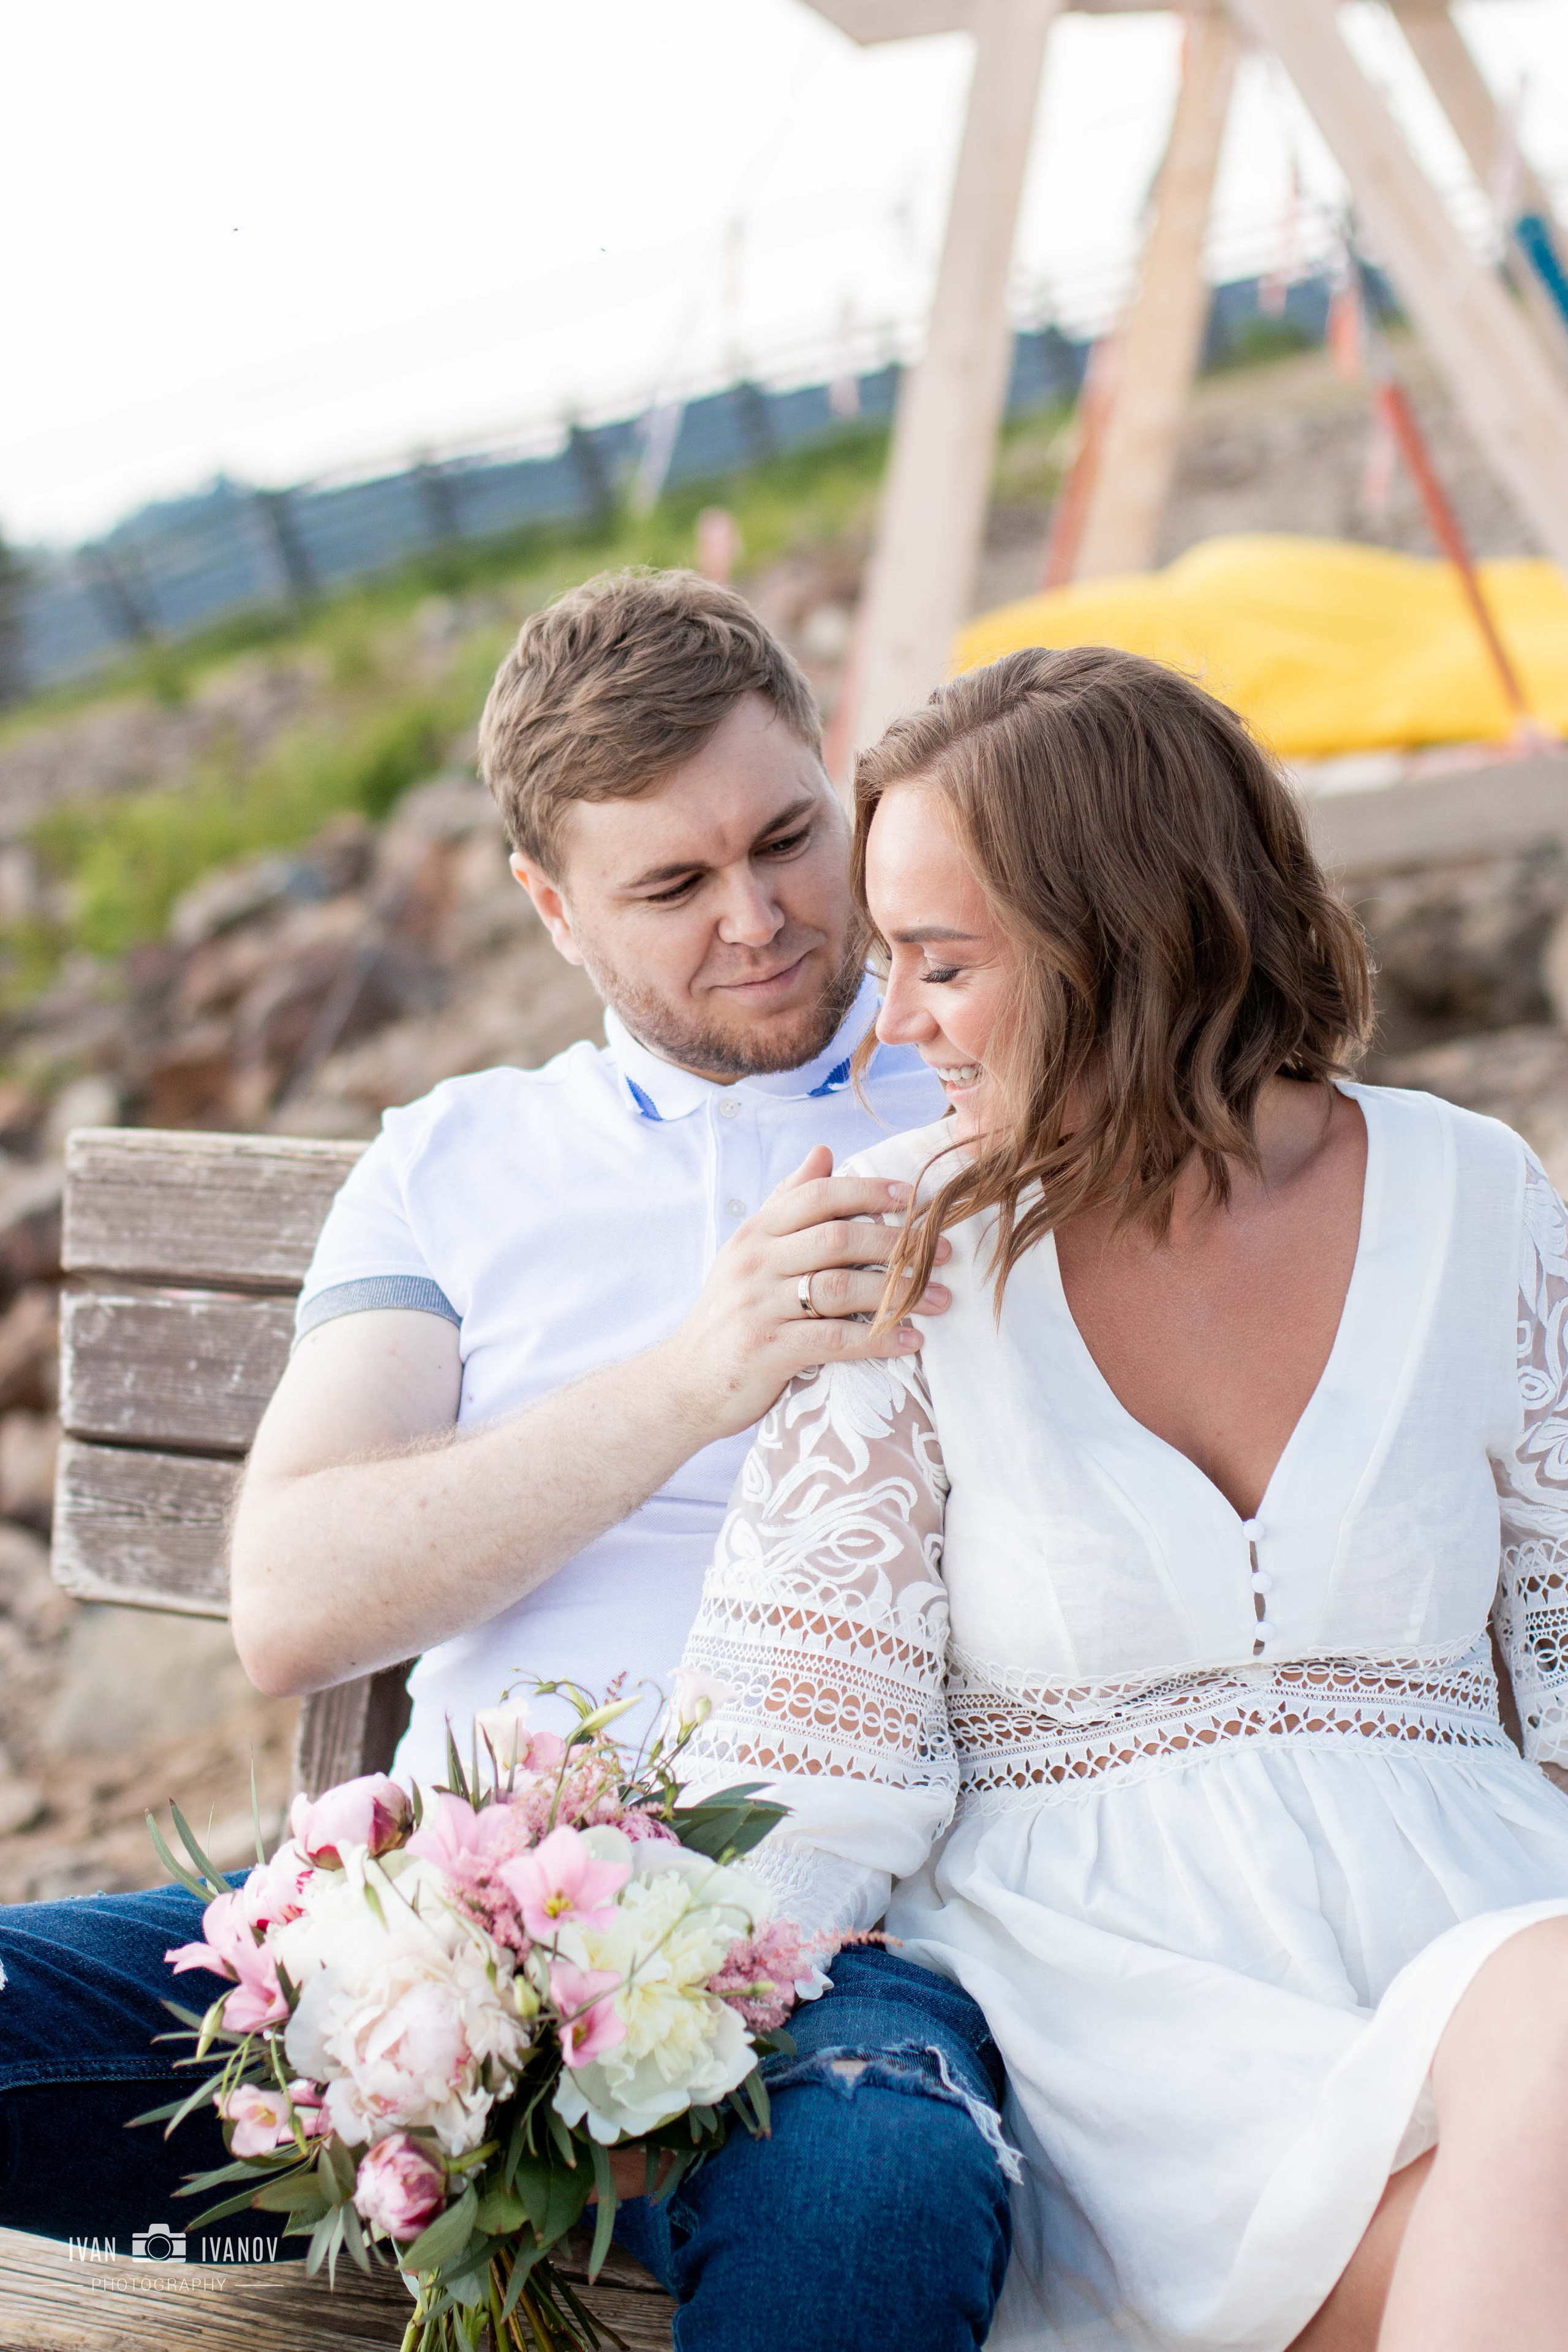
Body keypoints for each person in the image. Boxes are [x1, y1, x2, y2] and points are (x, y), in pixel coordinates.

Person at [0, 571, 1012, 2348]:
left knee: (874, 2201)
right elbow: (295, 1601)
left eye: (790, 837)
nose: (766, 917)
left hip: (850, 1947)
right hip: (443, 1942)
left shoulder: (984, 1075)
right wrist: (692, 1377)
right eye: (675, 887)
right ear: (552, 907)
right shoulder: (453, 1163)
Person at [677, 641, 1568, 2352]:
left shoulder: (1475, 1190)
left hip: (1480, 1956)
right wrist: (633, 2035)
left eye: (943, 965)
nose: (897, 1023)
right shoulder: (907, 1242)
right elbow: (797, 1765)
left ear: (1123, 944)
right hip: (1129, 2046)